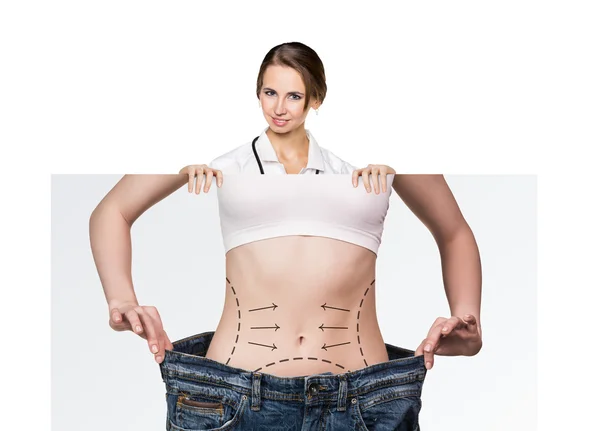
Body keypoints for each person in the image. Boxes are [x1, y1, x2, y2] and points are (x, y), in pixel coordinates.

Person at [89, 41, 483, 430]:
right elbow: (113, 211)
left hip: (366, 405)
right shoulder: (222, 154)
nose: (279, 108)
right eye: (269, 93)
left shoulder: (373, 152)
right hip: (235, 401)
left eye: (293, 95)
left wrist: (468, 320)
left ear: (315, 99)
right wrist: (122, 298)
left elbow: (453, 232)